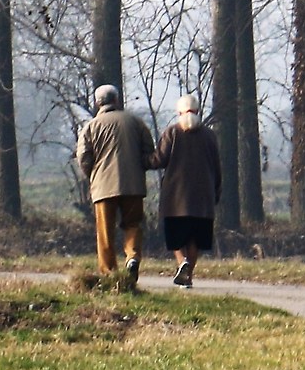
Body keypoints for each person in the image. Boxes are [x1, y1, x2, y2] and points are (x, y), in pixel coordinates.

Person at [77, 83, 153, 290]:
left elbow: (83, 157)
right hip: (133, 185)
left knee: (105, 232)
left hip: (103, 187)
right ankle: (132, 256)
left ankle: (109, 275)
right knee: (133, 224)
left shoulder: (91, 126)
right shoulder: (136, 123)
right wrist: (139, 168)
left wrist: (93, 174)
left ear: (97, 103)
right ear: (117, 100)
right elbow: (148, 152)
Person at [152, 94, 222, 289]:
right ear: (198, 111)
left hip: (176, 197)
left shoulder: (172, 133)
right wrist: (216, 191)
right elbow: (217, 167)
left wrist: (141, 159)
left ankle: (181, 261)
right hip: (203, 197)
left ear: (179, 112)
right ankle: (188, 276)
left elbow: (159, 160)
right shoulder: (209, 135)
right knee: (195, 240)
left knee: (175, 237)